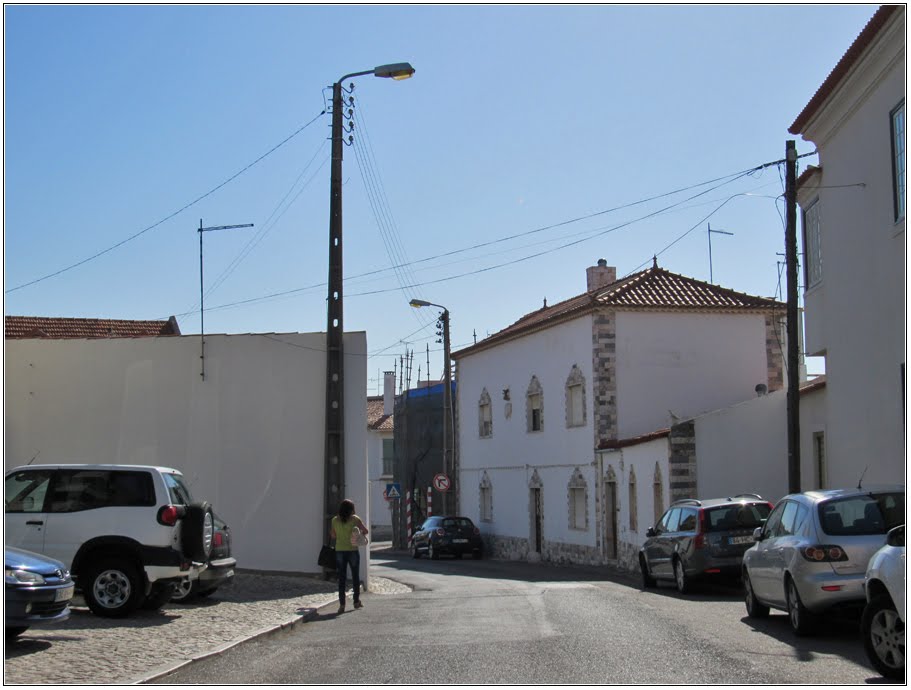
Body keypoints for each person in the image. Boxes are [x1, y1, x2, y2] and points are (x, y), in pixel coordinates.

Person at [329, 498, 368, 614]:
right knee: (355, 576)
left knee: (342, 578)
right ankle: (356, 601)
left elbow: (333, 536)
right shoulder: (355, 519)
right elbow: (365, 531)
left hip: (340, 550)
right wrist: (357, 534)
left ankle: (342, 605)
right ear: (351, 509)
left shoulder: (334, 520)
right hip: (352, 550)